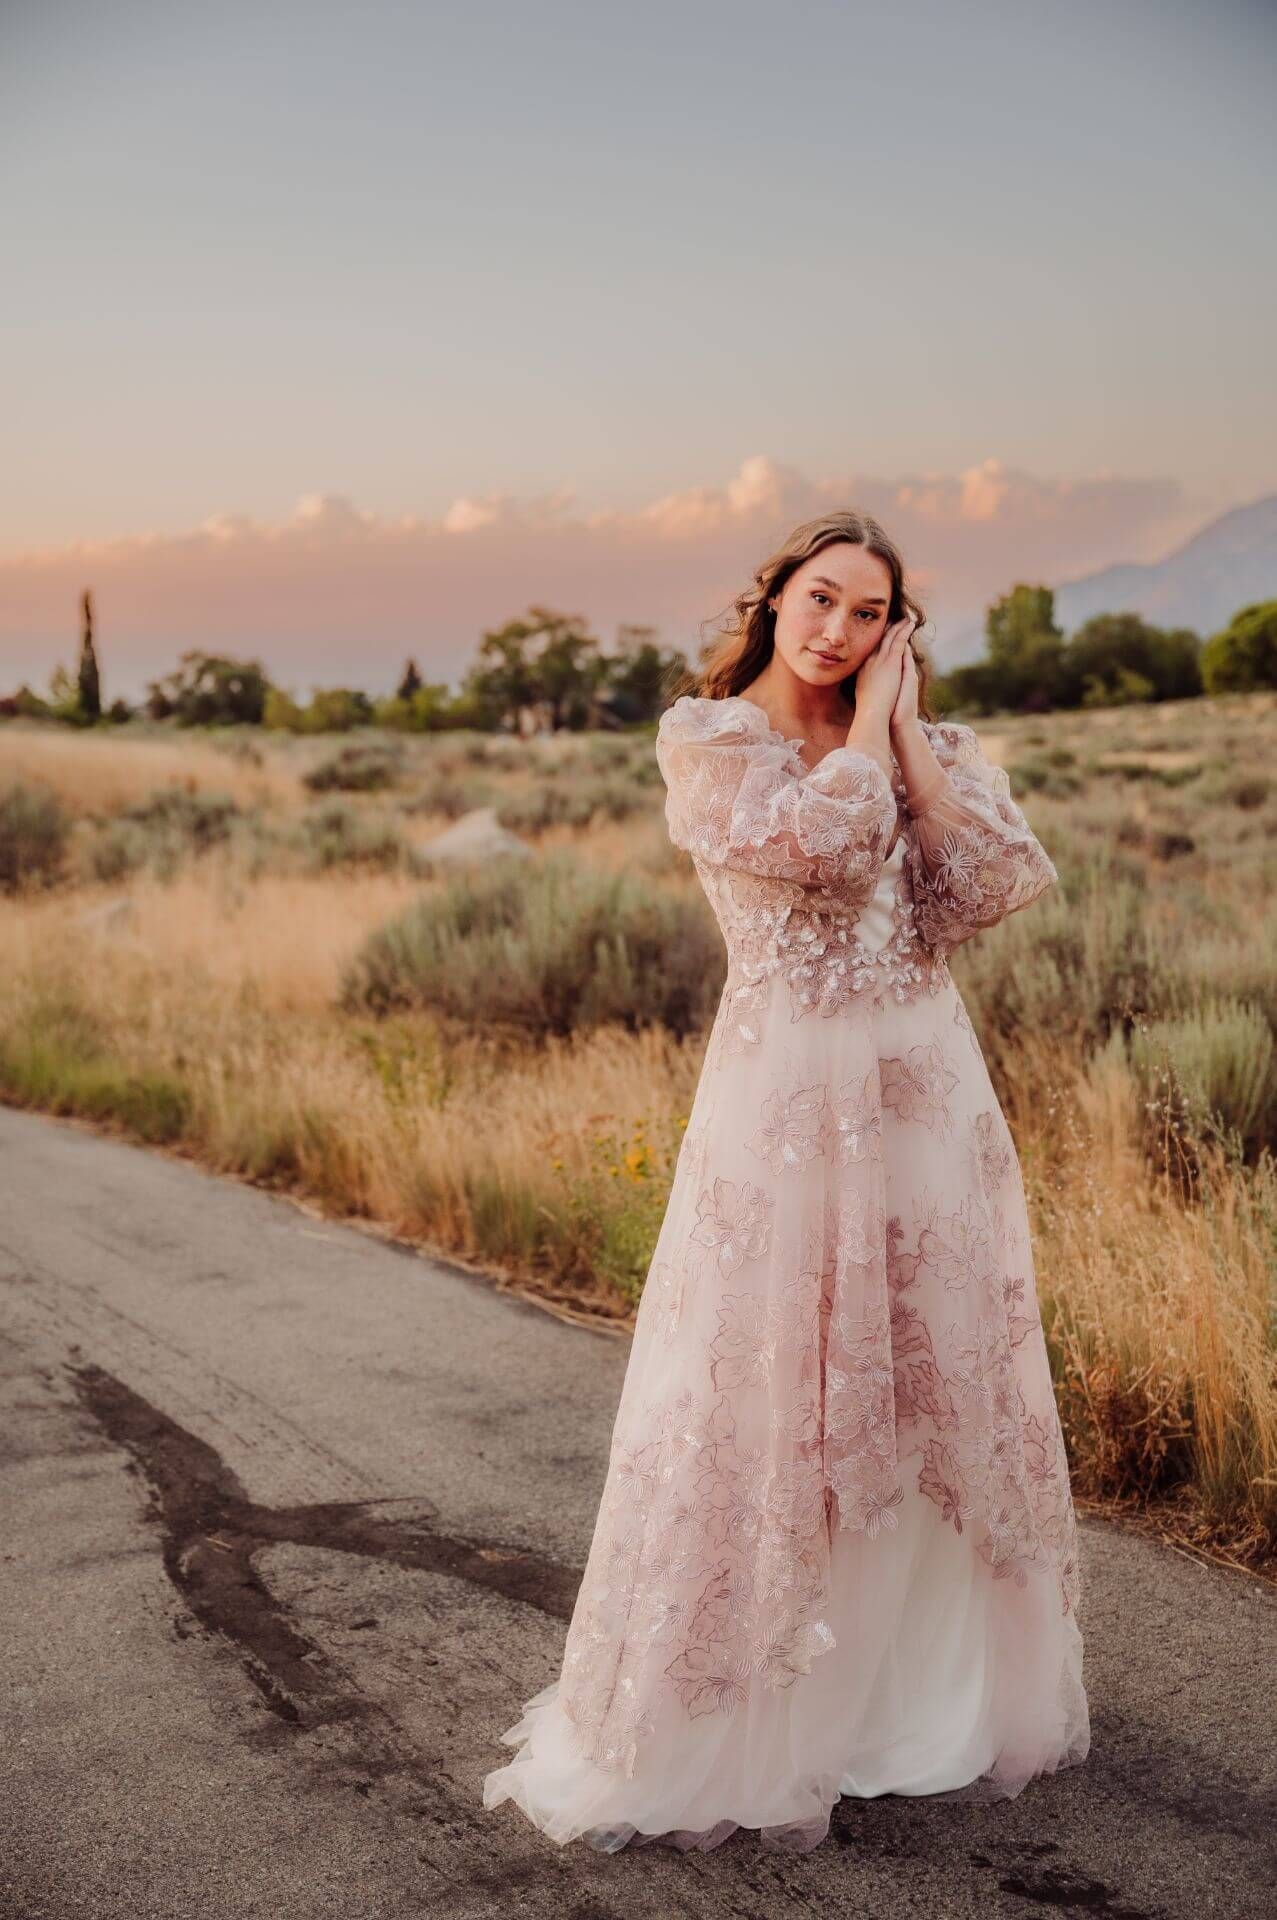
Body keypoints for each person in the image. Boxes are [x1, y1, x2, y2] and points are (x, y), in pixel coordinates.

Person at [481, 509, 1090, 1854]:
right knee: (776, 1377)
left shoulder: (923, 745)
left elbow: (992, 888)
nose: (839, 631)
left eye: (869, 614)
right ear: (775, 602)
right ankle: (756, 1715)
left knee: (934, 1368)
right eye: (821, 601)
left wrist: (912, 749)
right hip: (787, 1113)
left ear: (895, 629)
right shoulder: (707, 743)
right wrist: (873, 727)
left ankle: (923, 1704)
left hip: (926, 1095)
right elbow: (819, 850)